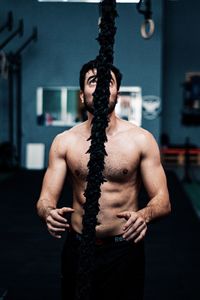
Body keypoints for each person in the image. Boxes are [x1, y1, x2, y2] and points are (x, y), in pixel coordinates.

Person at [36, 60, 171, 300]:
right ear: (81, 95)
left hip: (123, 250)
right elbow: (45, 198)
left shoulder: (141, 140)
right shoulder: (64, 142)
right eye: (92, 81)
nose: (99, 87)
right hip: (78, 248)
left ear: (117, 92)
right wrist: (48, 212)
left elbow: (163, 201)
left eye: (107, 82)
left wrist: (144, 215)